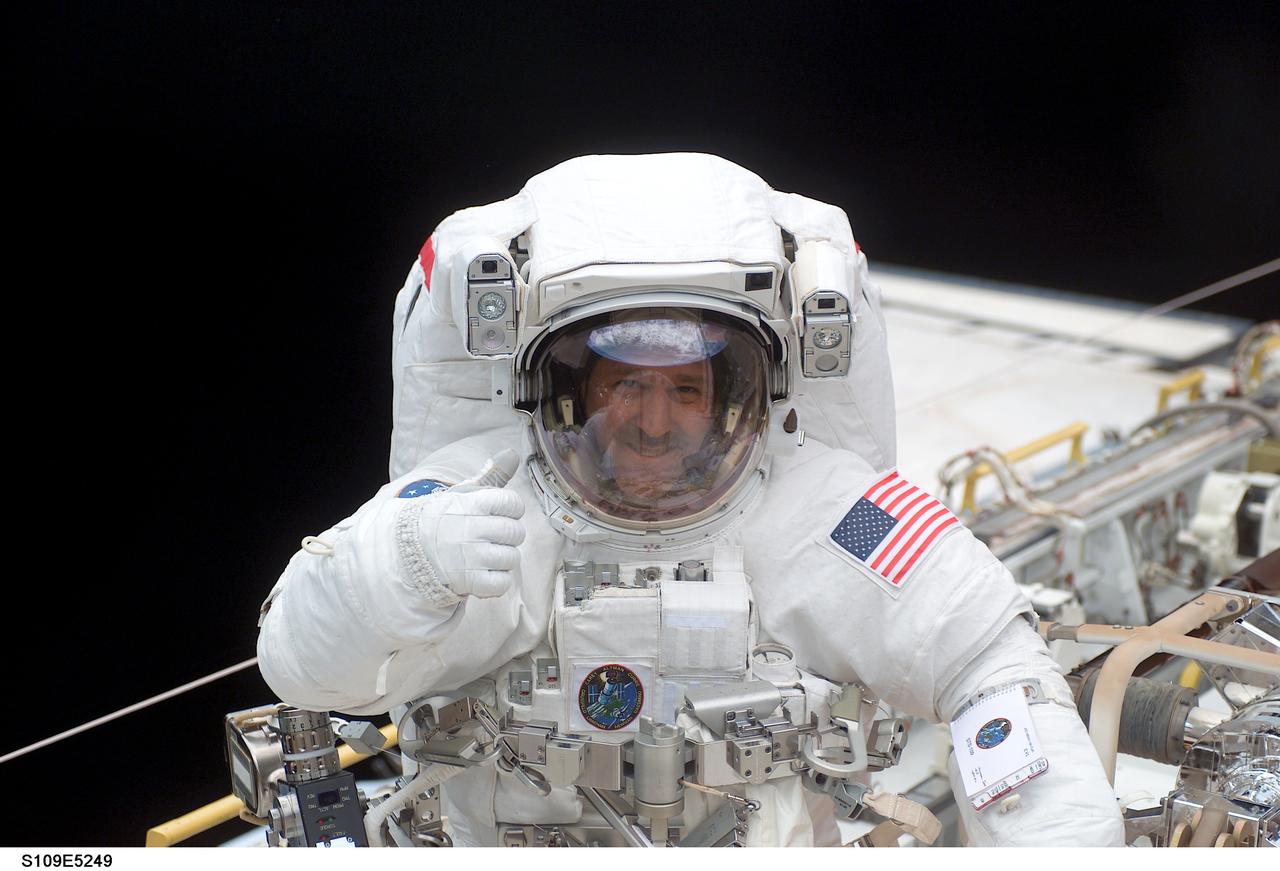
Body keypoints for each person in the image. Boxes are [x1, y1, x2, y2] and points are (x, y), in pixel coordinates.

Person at [256, 153, 1124, 846]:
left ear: (743, 396)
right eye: (624, 384)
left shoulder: (826, 509)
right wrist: (405, 563)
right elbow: (300, 662)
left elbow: (989, 664)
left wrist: (1053, 836)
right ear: (563, 393)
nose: (653, 420)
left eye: (686, 388)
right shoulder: (480, 509)